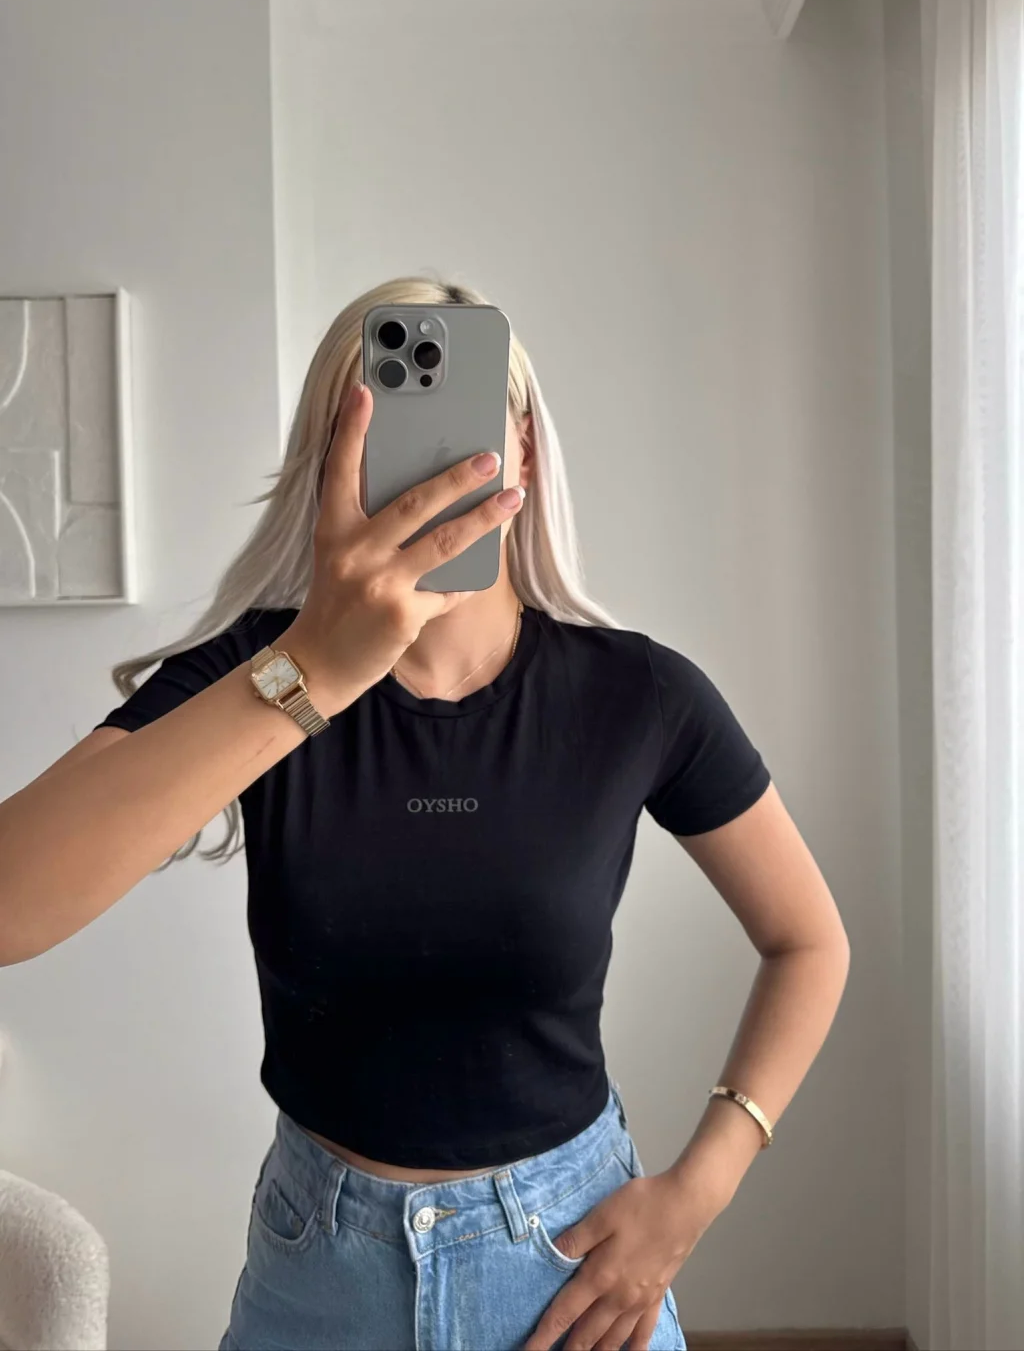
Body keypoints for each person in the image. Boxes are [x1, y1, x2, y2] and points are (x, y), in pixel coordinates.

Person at [0, 277, 851, 1351]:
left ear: (525, 449)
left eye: (462, 419)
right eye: (379, 428)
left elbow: (809, 940)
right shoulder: (259, 677)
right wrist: (312, 670)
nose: (427, 465)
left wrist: (699, 1190)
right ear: (330, 465)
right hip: (318, 1272)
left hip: (569, 1265)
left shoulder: (638, 695)